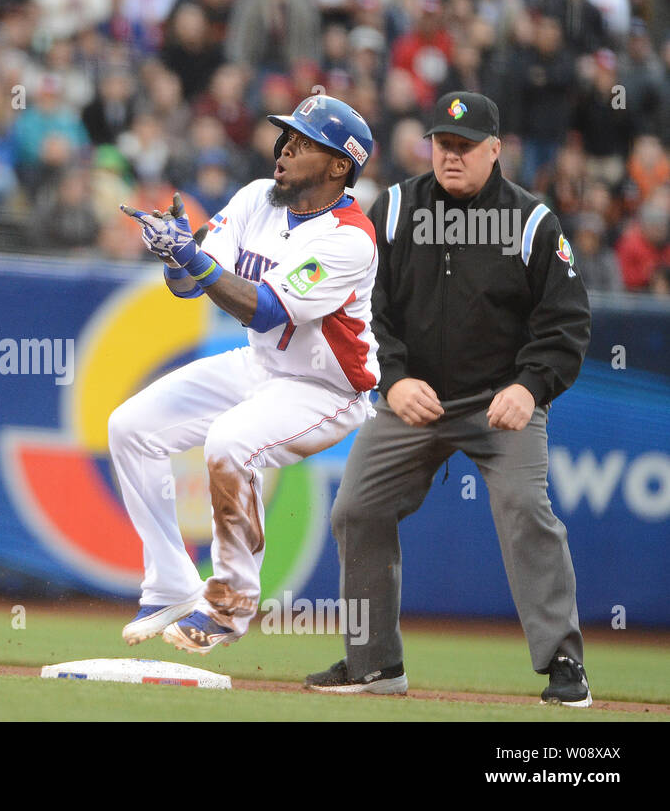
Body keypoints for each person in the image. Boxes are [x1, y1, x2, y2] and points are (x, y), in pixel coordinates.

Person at [304, 92, 592, 705]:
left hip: (500, 404)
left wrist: (530, 387)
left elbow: (565, 325)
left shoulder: (532, 221)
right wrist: (393, 379)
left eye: (465, 146)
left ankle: (565, 664)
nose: (451, 155)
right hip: (414, 399)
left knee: (523, 508)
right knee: (356, 509)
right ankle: (374, 665)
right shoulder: (397, 208)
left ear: (496, 149)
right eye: (442, 144)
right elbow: (363, 309)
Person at [114, 95, 380, 654]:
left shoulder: (349, 237)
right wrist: (175, 258)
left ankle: (230, 606)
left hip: (325, 386)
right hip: (260, 364)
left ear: (339, 167)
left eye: (304, 141)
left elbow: (263, 308)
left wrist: (193, 259)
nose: (284, 147)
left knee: (231, 442)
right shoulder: (257, 196)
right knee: (129, 426)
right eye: (286, 135)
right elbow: (193, 285)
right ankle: (170, 585)